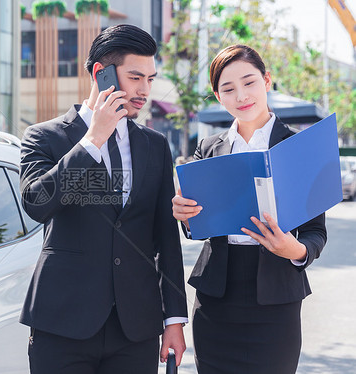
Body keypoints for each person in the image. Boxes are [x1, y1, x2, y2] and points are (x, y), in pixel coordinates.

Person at [19, 24, 188, 374]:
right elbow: (37, 203)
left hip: (135, 328)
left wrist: (174, 319)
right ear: (102, 73)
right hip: (62, 324)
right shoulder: (44, 137)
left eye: (150, 79)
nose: (144, 90)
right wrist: (93, 140)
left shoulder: (154, 145)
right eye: (135, 77)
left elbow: (165, 237)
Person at [172, 44, 327, 374]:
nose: (241, 95)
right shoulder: (207, 149)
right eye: (228, 89)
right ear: (218, 97)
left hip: (276, 302)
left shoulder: (299, 149)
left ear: (267, 81)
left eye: (249, 82)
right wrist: (184, 214)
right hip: (215, 301)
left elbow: (316, 233)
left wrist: (294, 249)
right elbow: (194, 229)